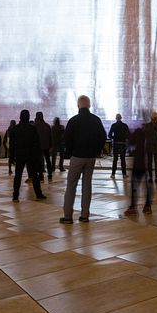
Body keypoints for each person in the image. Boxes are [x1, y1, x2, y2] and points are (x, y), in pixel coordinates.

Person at [60, 95, 107, 224]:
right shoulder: (96, 120)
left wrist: (69, 153)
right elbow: (103, 137)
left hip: (77, 156)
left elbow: (67, 139)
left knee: (71, 185)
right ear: (89, 105)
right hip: (90, 157)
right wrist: (96, 150)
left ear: (78, 105)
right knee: (87, 185)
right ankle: (85, 215)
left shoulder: (73, 120)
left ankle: (68, 216)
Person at [10, 110, 46, 201]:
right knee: (35, 176)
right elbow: (37, 143)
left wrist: (11, 157)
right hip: (31, 155)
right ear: (28, 117)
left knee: (18, 176)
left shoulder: (15, 129)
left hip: (19, 155)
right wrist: (37, 156)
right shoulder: (32, 128)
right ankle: (38, 194)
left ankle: (15, 196)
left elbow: (12, 144)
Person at [124, 125, 152, 215]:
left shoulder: (138, 136)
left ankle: (133, 207)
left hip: (138, 165)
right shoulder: (145, 137)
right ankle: (147, 206)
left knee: (134, 186)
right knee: (146, 187)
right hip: (145, 164)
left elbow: (131, 142)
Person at [108, 113, 130, 179]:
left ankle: (113, 174)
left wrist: (114, 137)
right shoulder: (125, 125)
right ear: (121, 118)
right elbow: (128, 135)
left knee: (115, 159)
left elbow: (109, 135)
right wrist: (123, 137)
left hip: (116, 144)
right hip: (123, 144)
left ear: (116, 118)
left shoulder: (113, 125)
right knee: (123, 159)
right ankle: (124, 174)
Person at [144, 112, 157, 182]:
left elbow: (145, 134)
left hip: (149, 145)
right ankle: (156, 178)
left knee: (149, 162)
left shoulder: (147, 125)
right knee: (156, 162)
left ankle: (151, 178)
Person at [34, 112, 53, 181]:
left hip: (38, 147)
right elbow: (50, 137)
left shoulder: (35, 126)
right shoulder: (47, 125)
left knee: (39, 161)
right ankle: (50, 175)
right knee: (48, 160)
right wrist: (51, 145)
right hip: (46, 146)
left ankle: (41, 176)